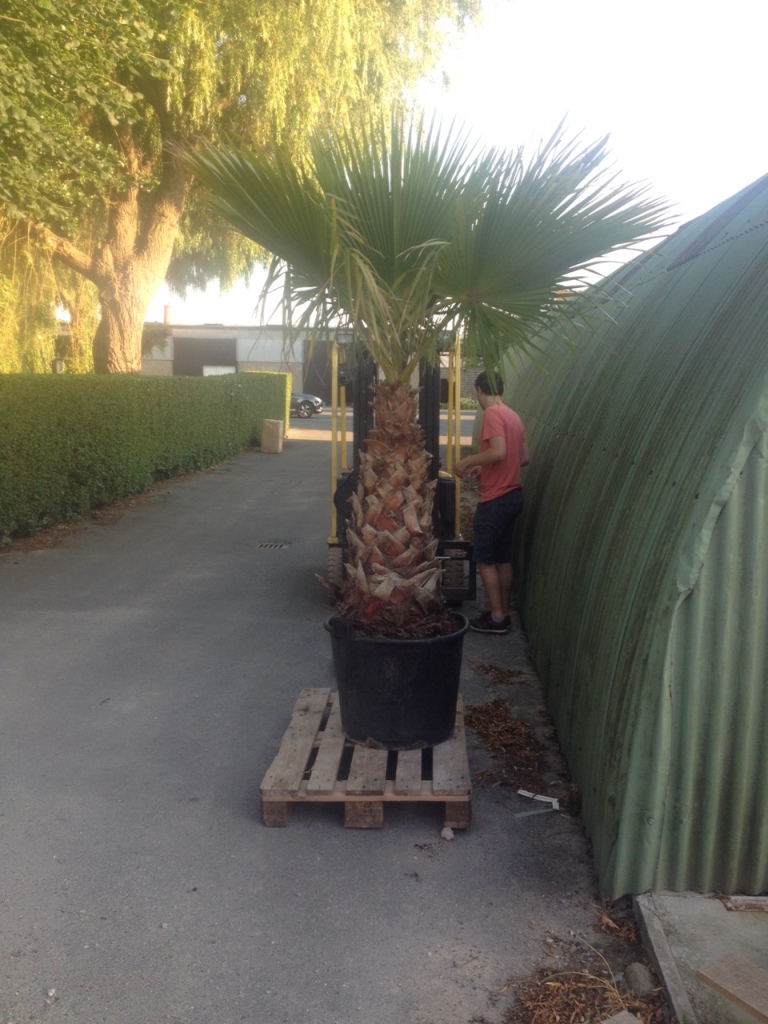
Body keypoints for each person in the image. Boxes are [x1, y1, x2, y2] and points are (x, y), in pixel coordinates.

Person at [453, 371, 529, 634]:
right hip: (513, 496)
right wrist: (485, 469)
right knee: (502, 558)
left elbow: (498, 452)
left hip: (495, 499)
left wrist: (468, 461)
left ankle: (497, 617)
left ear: (478, 390)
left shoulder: (492, 414)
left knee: (484, 558)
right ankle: (503, 613)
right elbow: (523, 457)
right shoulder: (513, 415)